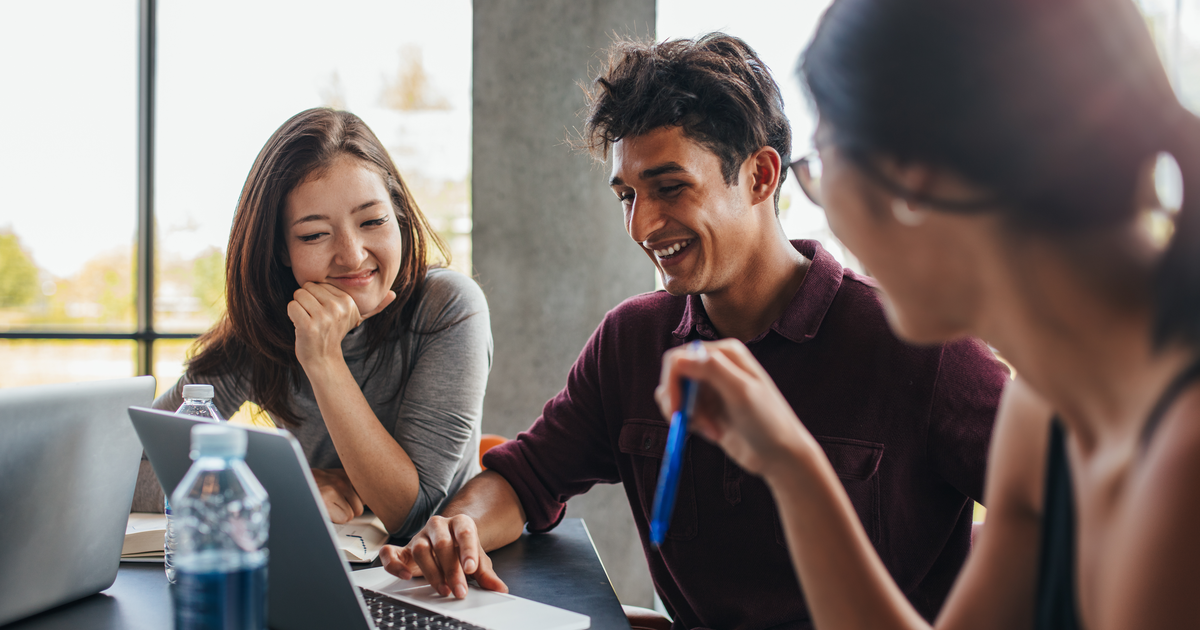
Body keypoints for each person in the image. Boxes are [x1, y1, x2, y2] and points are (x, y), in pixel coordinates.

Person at [381, 34, 1009, 628]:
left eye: (671, 188)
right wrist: (457, 525)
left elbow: (1071, 524)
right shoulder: (631, 342)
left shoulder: (920, 349)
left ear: (761, 176)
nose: (643, 225)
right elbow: (526, 479)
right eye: (627, 195)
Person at [654, 0, 1200, 628]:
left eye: (823, 167)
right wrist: (792, 465)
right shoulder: (1045, 407)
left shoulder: (1183, 456)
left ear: (915, 183)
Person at [132, 108, 492, 541]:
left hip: (432, 581)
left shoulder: (448, 307)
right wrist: (284, 484)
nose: (352, 254)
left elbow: (411, 514)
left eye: (373, 221)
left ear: (398, 215)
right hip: (317, 567)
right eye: (314, 235)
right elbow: (127, 468)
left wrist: (323, 359)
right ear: (281, 250)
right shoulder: (270, 323)